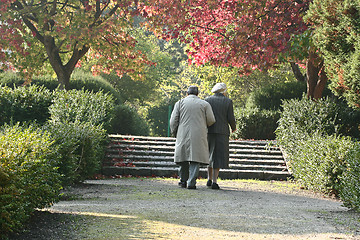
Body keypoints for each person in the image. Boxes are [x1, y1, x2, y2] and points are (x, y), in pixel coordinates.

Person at [170, 86, 216, 189]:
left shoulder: (180, 103)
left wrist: (175, 132)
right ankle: (191, 182)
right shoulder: (204, 104)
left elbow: (173, 120)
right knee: (195, 159)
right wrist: (204, 124)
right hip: (199, 133)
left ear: (187, 93)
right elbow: (211, 120)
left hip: (183, 133)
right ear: (197, 94)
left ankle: (183, 181)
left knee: (183, 158)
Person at [205, 83, 236, 190]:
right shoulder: (228, 101)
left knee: (209, 154)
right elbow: (230, 117)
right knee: (218, 156)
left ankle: (208, 179)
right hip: (222, 131)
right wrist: (233, 127)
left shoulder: (207, 100)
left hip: (209, 130)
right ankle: (215, 181)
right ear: (224, 91)